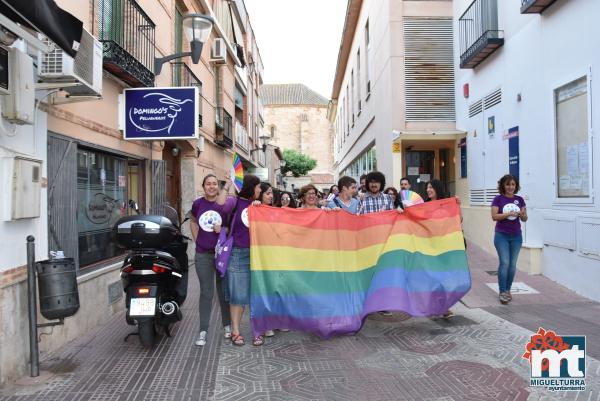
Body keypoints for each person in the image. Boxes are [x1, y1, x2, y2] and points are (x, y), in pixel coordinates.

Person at [216, 174, 264, 346]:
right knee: (238, 295)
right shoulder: (234, 202)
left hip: (258, 254)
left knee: (257, 294)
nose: (260, 190)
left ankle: (257, 330)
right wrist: (227, 185)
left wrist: (260, 207)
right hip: (237, 253)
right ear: (251, 187)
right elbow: (220, 205)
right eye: (258, 187)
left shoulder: (259, 205)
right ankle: (236, 331)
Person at [189, 174, 234, 346]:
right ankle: (203, 330)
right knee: (206, 292)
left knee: (223, 292)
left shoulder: (226, 204)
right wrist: (197, 239)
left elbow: (231, 228)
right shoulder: (197, 204)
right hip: (203, 255)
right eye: (208, 184)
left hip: (222, 254)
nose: (212, 186)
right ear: (203, 186)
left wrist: (221, 229)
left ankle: (227, 325)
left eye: (215, 184)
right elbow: (193, 221)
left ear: (218, 186)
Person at [425, 179, 460, 318]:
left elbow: (458, 220)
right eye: (427, 187)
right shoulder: (423, 205)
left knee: (444, 276)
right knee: (433, 276)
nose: (428, 190)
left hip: (445, 245)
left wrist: (458, 205)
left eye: (431, 187)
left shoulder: (447, 204)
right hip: (429, 245)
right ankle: (437, 305)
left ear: (437, 188)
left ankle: (443, 306)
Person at [491, 174, 527, 305]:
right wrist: (508, 214)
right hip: (501, 235)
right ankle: (502, 292)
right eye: (508, 184)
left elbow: (524, 218)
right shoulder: (498, 199)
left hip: (516, 236)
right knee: (505, 263)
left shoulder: (520, 200)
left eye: (513, 184)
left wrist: (523, 215)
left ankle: (508, 289)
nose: (510, 187)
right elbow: (494, 216)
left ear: (516, 186)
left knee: (512, 265)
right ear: (503, 186)